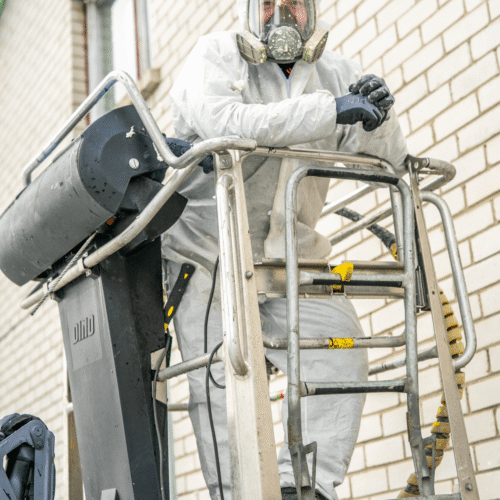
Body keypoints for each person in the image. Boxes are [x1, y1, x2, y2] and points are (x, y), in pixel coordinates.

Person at [161, 0, 408, 499]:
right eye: (268, 4)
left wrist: (379, 119)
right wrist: (331, 110)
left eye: (293, 3)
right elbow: (225, 122)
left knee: (341, 350)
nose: (280, 15)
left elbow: (394, 158)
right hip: (208, 252)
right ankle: (238, 493)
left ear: (310, 11)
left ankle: (304, 485)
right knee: (223, 378)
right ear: (250, 11)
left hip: (290, 253)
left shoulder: (336, 72)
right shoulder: (215, 56)